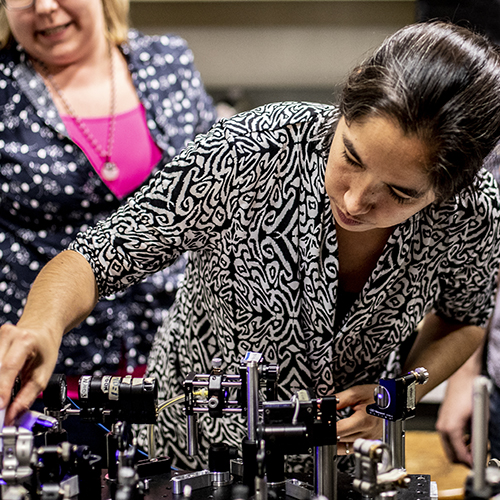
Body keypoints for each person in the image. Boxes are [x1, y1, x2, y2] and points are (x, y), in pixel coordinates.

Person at [1, 20, 500, 469]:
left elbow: (464, 320)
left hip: (350, 462)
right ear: (345, 106)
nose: (354, 199)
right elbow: (97, 255)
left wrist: (397, 396)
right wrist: (40, 326)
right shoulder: (251, 151)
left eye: (400, 193)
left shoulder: (474, 212)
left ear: (451, 188)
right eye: (350, 155)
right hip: (190, 457)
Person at [0, 0, 216, 398]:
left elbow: (215, 195)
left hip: (176, 350)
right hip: (51, 363)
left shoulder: (167, 62)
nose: (45, 7)